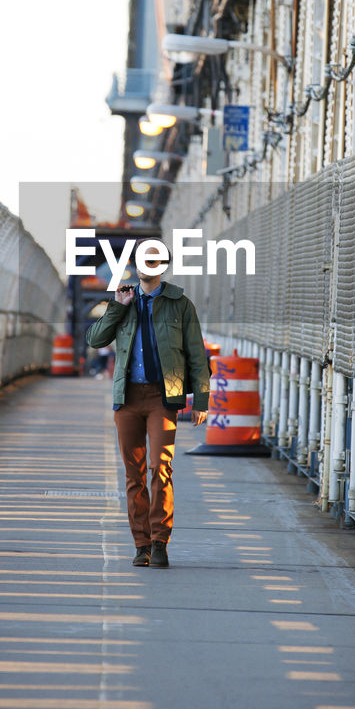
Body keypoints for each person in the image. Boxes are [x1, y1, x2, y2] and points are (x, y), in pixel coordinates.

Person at [85, 238, 211, 568]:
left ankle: (159, 542)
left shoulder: (180, 304)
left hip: (162, 397)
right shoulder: (123, 300)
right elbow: (96, 339)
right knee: (134, 475)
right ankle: (140, 544)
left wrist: (201, 400)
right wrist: (117, 307)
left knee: (161, 468)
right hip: (127, 399)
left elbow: (197, 354)